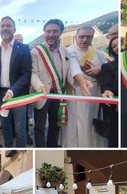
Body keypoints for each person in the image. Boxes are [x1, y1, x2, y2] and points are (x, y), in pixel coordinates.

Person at [31, 19, 90, 147]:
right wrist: (39, 86)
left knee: (55, 126)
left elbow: (69, 70)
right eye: (48, 31)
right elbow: (33, 74)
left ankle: (51, 148)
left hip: (59, 94)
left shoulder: (64, 51)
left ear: (61, 32)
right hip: (42, 94)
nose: (51, 34)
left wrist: (81, 80)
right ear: (44, 32)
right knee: (40, 127)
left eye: (55, 31)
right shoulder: (36, 51)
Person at [0, 16, 32, 147]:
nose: (5, 28)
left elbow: (26, 74)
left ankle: (21, 151)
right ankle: (8, 149)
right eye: (2, 26)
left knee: (20, 129)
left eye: (8, 25)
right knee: (5, 126)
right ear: (0, 29)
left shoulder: (24, 48)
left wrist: (12, 90)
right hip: (1, 95)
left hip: (18, 94)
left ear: (14, 29)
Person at [63, 26, 107, 147]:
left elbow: (109, 70)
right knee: (77, 121)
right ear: (75, 37)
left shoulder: (99, 53)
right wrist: (82, 81)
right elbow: (73, 67)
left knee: (91, 120)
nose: (84, 39)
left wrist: (100, 69)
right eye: (81, 36)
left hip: (94, 91)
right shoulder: (68, 51)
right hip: (75, 90)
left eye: (88, 37)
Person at [100, 35, 119, 147]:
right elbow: (106, 84)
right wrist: (107, 91)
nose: (117, 47)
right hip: (115, 110)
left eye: (119, 44)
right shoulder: (108, 66)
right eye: (114, 46)